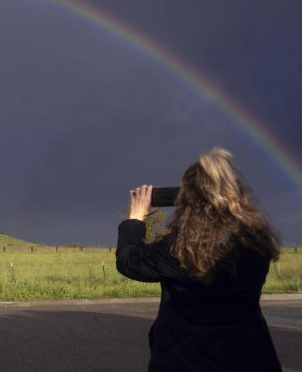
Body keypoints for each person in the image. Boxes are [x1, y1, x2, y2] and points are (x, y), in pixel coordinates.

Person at [116, 148, 282, 371]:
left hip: (186, 360)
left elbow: (129, 261)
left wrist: (136, 219)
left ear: (187, 199)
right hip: (251, 357)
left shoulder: (181, 246)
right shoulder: (256, 239)